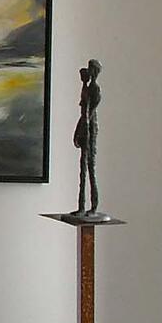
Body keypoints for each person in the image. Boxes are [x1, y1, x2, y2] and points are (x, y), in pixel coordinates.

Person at [74, 58, 102, 215]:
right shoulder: (87, 87)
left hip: (90, 130)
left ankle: (93, 206)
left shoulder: (95, 89)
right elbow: (83, 111)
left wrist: (81, 130)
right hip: (85, 128)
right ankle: (81, 206)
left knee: (89, 167)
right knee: (82, 169)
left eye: (91, 69)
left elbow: (88, 114)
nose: (88, 71)